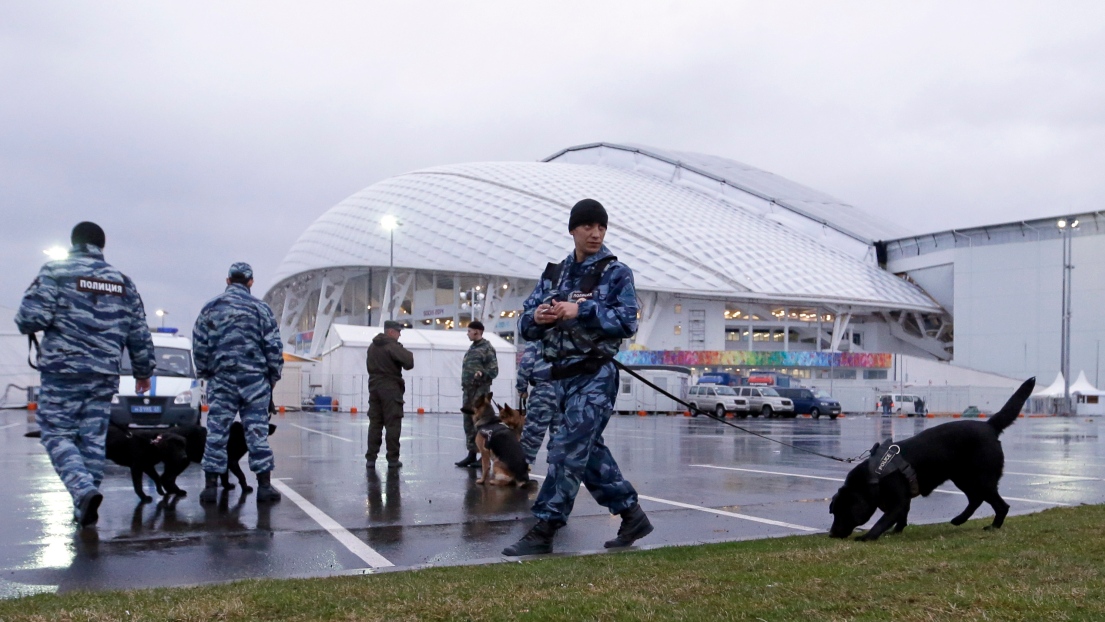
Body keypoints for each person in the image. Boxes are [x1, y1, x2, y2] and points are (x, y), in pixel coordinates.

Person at [503, 198, 651, 556]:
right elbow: (523, 321)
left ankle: (546, 527)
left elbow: (628, 322)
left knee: (567, 449)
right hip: (559, 378)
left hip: (594, 374)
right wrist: (537, 318)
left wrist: (581, 309)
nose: (596, 234)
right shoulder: (554, 273)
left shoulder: (616, 272)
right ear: (573, 230)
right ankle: (632, 514)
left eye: (601, 227)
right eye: (588, 226)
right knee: (588, 453)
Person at [15, 222, 155, 527]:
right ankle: (86, 505)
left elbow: (29, 319)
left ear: (73, 242)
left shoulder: (55, 271)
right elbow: (139, 333)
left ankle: (82, 491)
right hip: (104, 373)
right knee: (92, 438)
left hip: (63, 371)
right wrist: (144, 372)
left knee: (57, 433)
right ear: (102, 245)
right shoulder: (122, 282)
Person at [192, 262, 284, 504]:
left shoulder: (211, 308)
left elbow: (200, 344)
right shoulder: (261, 309)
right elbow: (273, 346)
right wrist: (273, 376)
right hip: (254, 381)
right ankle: (264, 486)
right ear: (251, 282)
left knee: (216, 432)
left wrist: (205, 372)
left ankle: (210, 486)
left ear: (228, 280)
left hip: (222, 380)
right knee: (257, 432)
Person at [365, 320, 414, 470]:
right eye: (398, 332)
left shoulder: (372, 346)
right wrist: (400, 348)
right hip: (391, 389)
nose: (400, 335)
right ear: (391, 332)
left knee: (375, 424)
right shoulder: (392, 346)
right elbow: (409, 362)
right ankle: (393, 459)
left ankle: (371, 459)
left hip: (374, 388)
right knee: (393, 424)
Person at [455, 320, 498, 468]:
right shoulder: (472, 348)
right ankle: (472, 454)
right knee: (468, 423)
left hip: (480, 394)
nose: (467, 334)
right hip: (468, 391)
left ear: (477, 331)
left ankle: (484, 456)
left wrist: (482, 373)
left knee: (482, 425)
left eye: (469, 331)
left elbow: (494, 371)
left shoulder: (487, 348)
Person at [516, 336, 559, 468]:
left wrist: (521, 387)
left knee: (532, 434)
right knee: (560, 435)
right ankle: (556, 471)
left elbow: (526, 364)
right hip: (565, 392)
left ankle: (520, 470)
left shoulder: (537, 340)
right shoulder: (565, 337)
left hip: (543, 392)